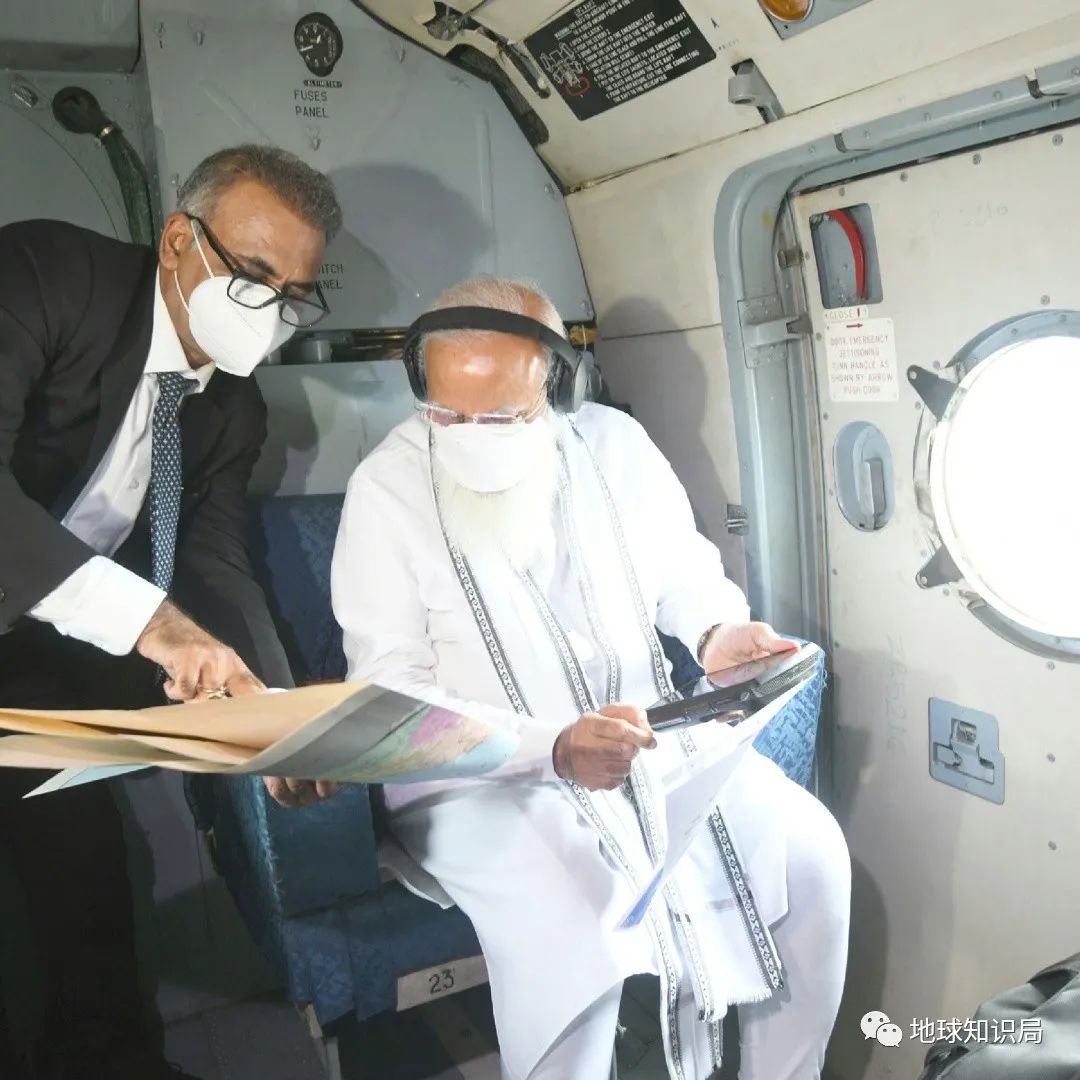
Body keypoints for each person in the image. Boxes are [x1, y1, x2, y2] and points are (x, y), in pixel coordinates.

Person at [331, 276, 852, 1080]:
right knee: (574, 917)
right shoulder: (385, 489)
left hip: (649, 744)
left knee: (811, 854)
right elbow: (390, 692)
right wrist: (551, 749)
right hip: (475, 774)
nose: (470, 436)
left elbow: (684, 576)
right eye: (447, 414)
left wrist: (718, 633)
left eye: (501, 417)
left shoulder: (615, 447)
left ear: (559, 387)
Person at [0, 144, 341, 1079]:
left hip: (47, 638)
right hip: (47, 594)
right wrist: (157, 627)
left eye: (294, 294)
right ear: (179, 240)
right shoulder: (46, 276)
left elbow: (214, 559)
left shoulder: (233, 409)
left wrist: (270, 715)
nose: (270, 310)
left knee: (80, 863)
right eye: (254, 276)